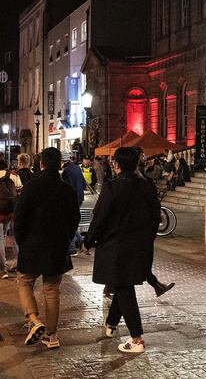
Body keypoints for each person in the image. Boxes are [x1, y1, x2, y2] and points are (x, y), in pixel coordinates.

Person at [84, 147, 162, 353]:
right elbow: (156, 217)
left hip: (116, 246)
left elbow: (100, 217)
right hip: (141, 246)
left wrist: (88, 241)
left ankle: (137, 339)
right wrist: (148, 237)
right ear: (136, 164)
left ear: (116, 165)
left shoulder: (112, 188)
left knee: (124, 288)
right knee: (123, 284)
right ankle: (111, 323)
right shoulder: (148, 187)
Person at [14, 147, 80, 349]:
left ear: (41, 163)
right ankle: (52, 336)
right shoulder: (66, 188)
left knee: (24, 282)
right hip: (56, 246)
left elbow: (20, 218)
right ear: (59, 163)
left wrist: (21, 241)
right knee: (52, 290)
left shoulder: (31, 187)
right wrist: (66, 238)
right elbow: (74, 218)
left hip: (32, 243)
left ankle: (34, 320)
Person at [61, 156, 86, 255]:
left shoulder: (66, 171)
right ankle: (80, 241)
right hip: (79, 197)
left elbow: (68, 188)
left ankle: (71, 248)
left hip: (72, 199)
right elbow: (84, 184)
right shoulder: (77, 168)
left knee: (69, 222)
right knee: (73, 221)